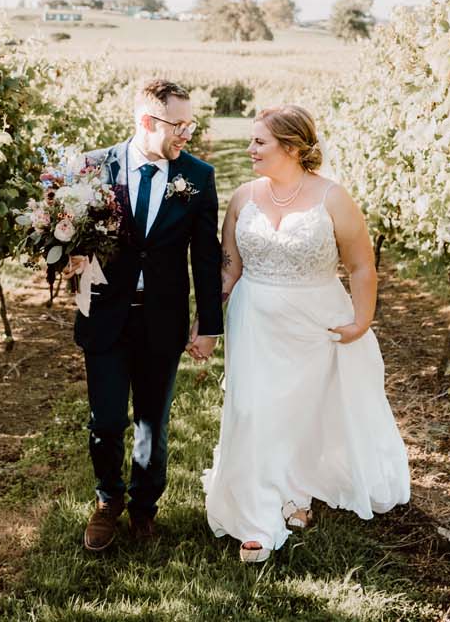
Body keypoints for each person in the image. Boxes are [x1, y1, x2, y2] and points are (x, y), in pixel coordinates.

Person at [201, 104, 410, 563]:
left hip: (316, 320)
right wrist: (202, 317)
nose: (250, 148)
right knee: (253, 408)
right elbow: (229, 268)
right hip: (254, 317)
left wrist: (361, 321)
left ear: (291, 148)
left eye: (260, 142)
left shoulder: (333, 198)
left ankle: (295, 492)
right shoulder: (243, 197)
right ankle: (255, 513)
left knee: (302, 411)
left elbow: (361, 266)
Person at [70, 79, 223, 552]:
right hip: (105, 316)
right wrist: (69, 262)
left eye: (190, 124)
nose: (187, 134)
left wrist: (209, 323)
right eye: (180, 125)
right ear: (147, 122)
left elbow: (205, 257)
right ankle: (107, 501)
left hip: (163, 316)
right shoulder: (93, 167)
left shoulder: (197, 176)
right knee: (107, 420)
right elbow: (69, 238)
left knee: (152, 425)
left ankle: (144, 508)